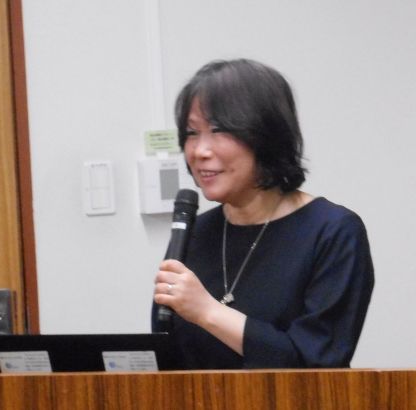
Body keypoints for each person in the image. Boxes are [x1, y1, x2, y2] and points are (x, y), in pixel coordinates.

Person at [152, 59, 374, 369]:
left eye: (218, 130)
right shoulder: (194, 232)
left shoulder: (333, 231)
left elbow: (317, 363)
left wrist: (208, 311)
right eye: (191, 133)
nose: (200, 151)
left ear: (266, 135)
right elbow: (167, 355)